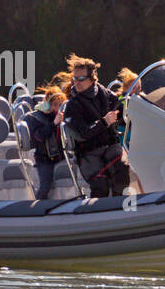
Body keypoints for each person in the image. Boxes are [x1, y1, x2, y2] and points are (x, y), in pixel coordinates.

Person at [61, 54, 130, 197]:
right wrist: (104, 122)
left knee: (122, 176)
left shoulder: (105, 94)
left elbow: (122, 111)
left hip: (111, 147)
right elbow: (85, 133)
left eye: (81, 79)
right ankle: (100, 212)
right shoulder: (72, 106)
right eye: (75, 79)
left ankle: (121, 209)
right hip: (89, 153)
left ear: (92, 79)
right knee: (100, 186)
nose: (77, 83)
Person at [22, 85, 66, 199]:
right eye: (55, 105)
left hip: (62, 155)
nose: (58, 108)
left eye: (60, 105)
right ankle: (38, 205)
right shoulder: (37, 117)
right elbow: (39, 137)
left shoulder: (63, 116)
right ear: (47, 104)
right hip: (45, 159)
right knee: (45, 186)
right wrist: (54, 124)